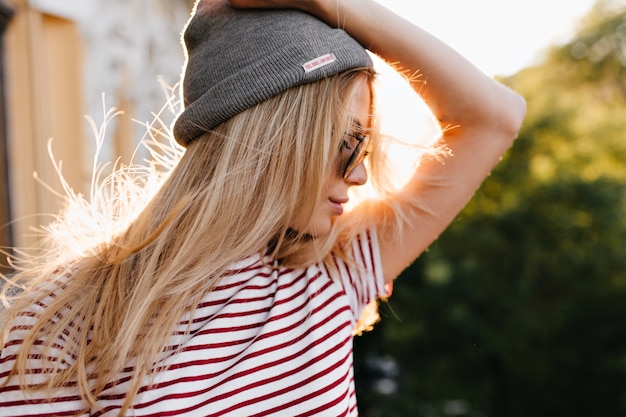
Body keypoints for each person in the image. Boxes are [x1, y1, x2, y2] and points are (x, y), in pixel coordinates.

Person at [0, 0, 526, 415]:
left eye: (362, 149)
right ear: (272, 139)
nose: (360, 173)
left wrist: (336, 5)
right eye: (347, 143)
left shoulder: (327, 273)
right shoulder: (66, 321)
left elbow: (495, 116)